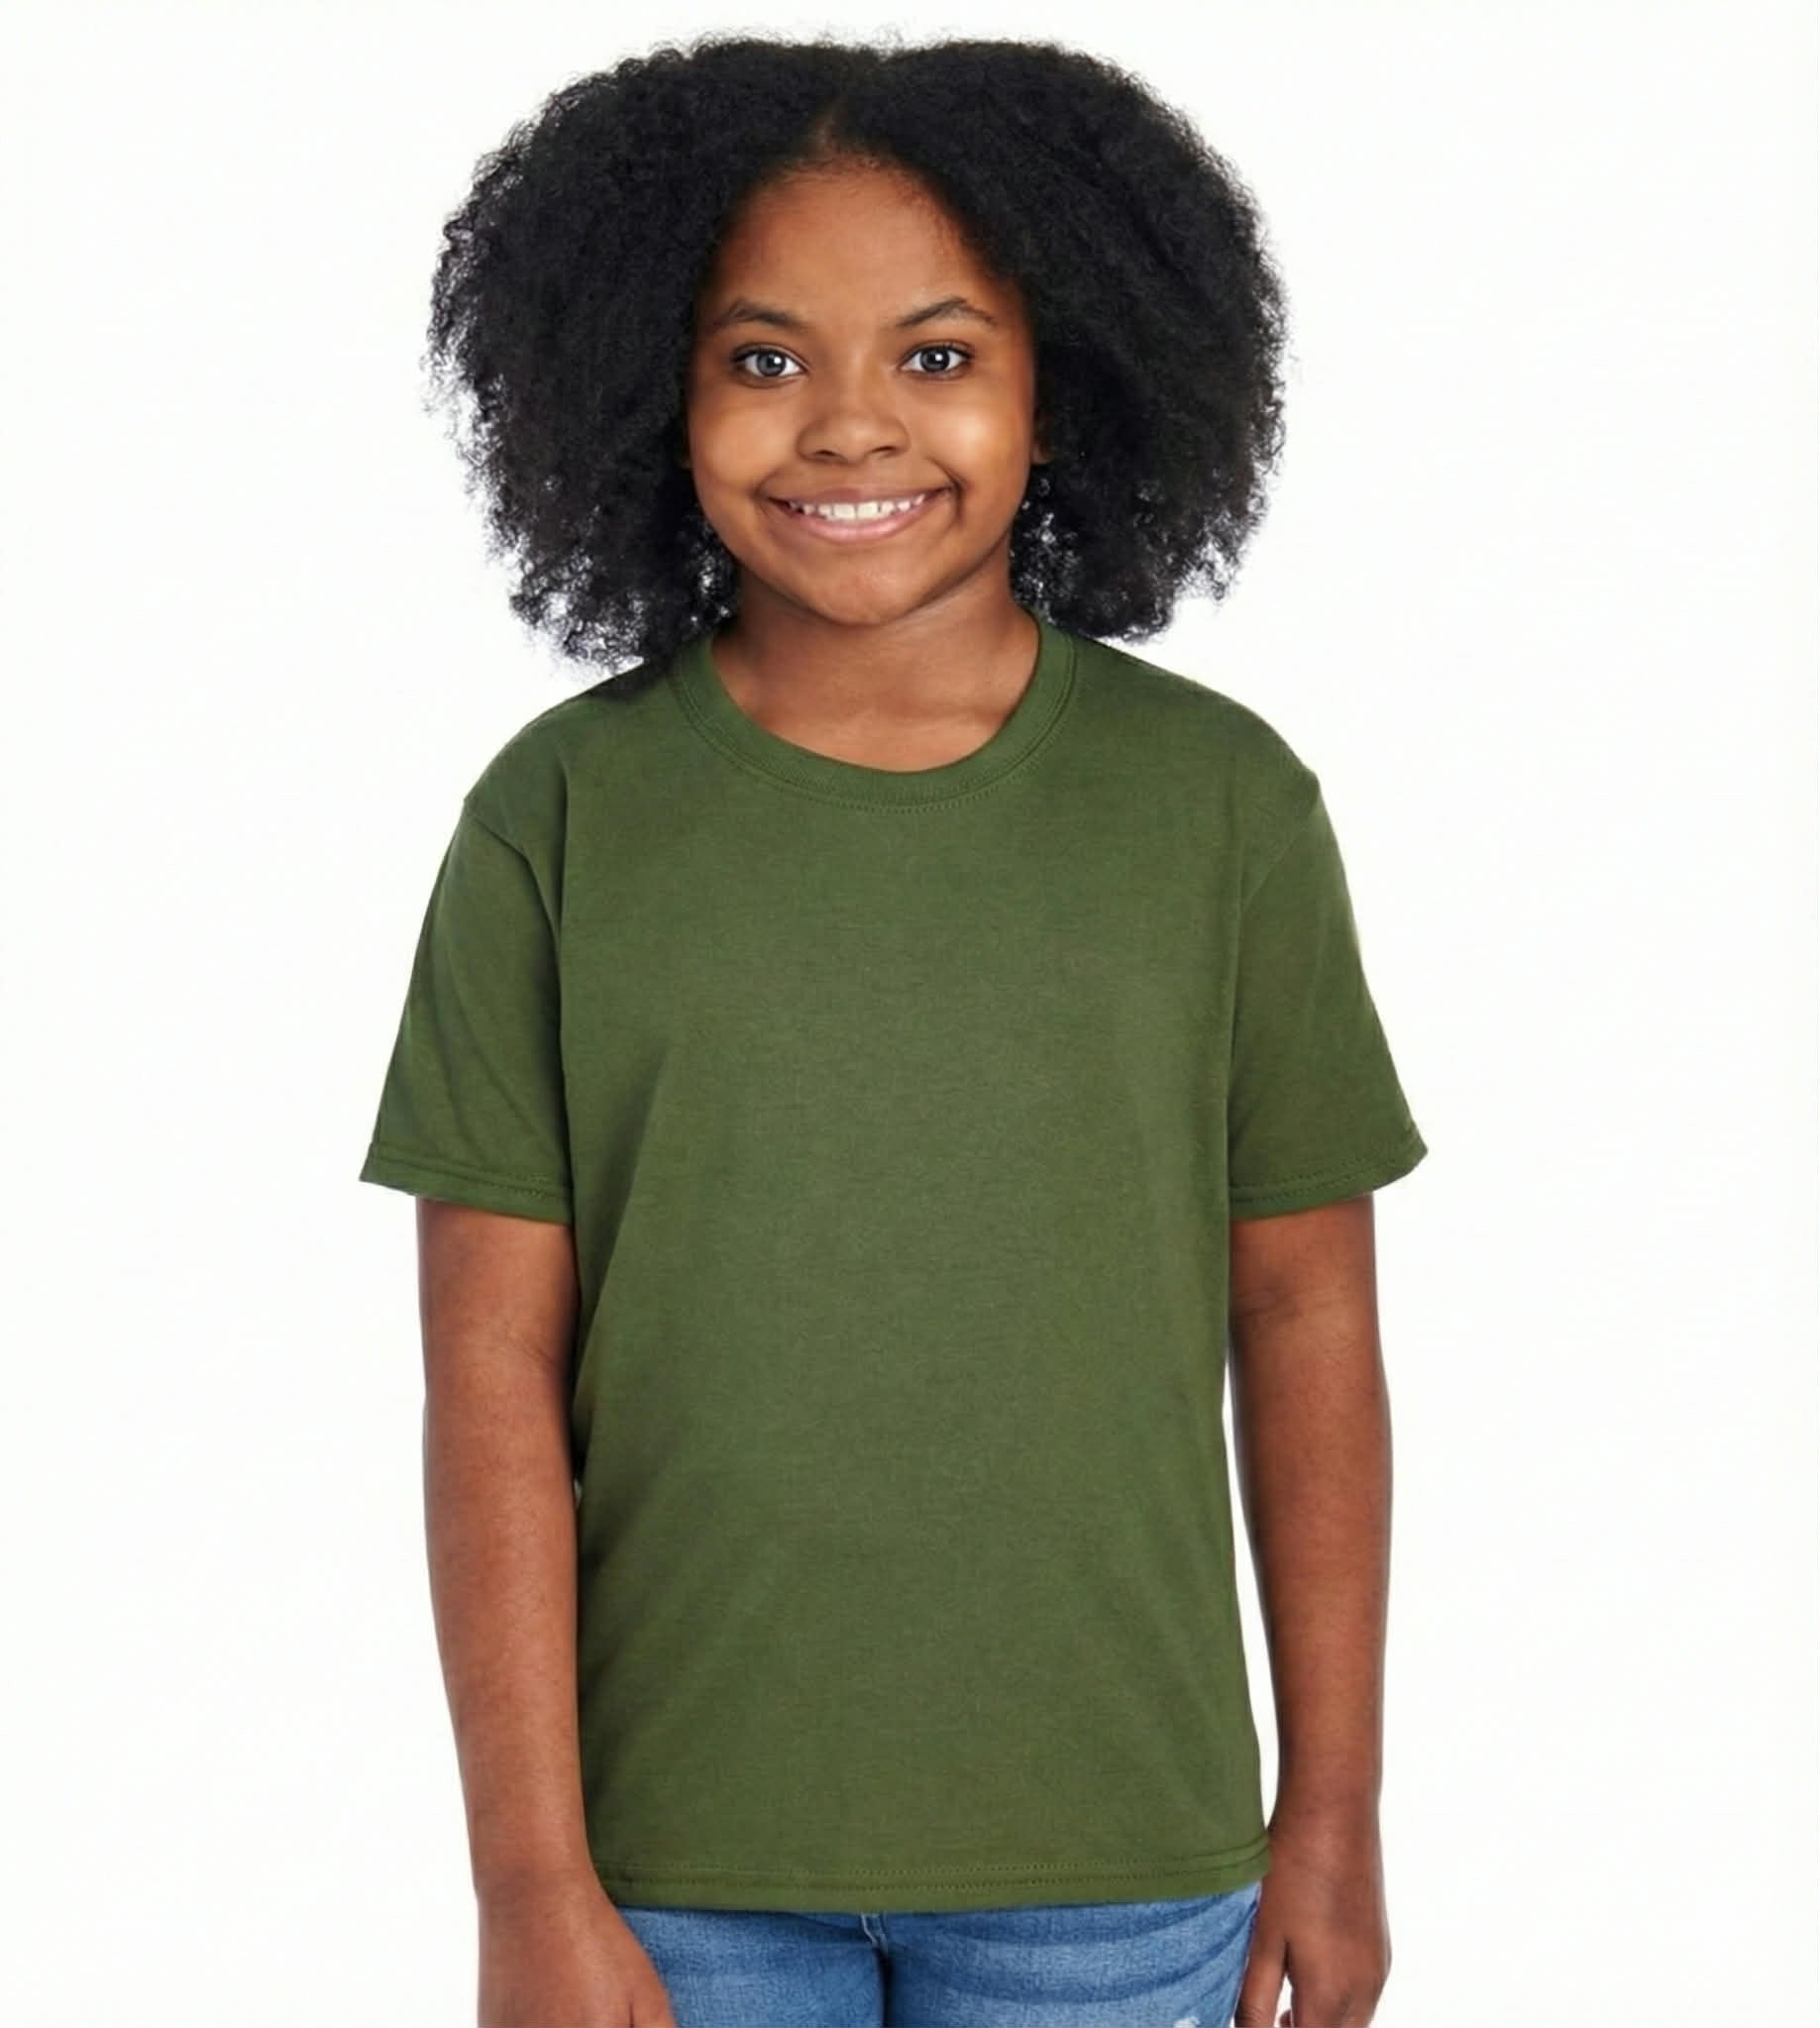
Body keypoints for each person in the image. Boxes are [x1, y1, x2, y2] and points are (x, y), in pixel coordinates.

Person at [358, 32, 1428, 2028]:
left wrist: (1336, 1811)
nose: (850, 424)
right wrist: (525, 1881)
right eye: (763, 358)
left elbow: (1304, 1310)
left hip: (1115, 1863)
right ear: (649, 390)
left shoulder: (1217, 808)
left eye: (937, 354)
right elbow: (489, 1372)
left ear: (1064, 382)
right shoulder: (559, 815)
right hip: (671, 1880)